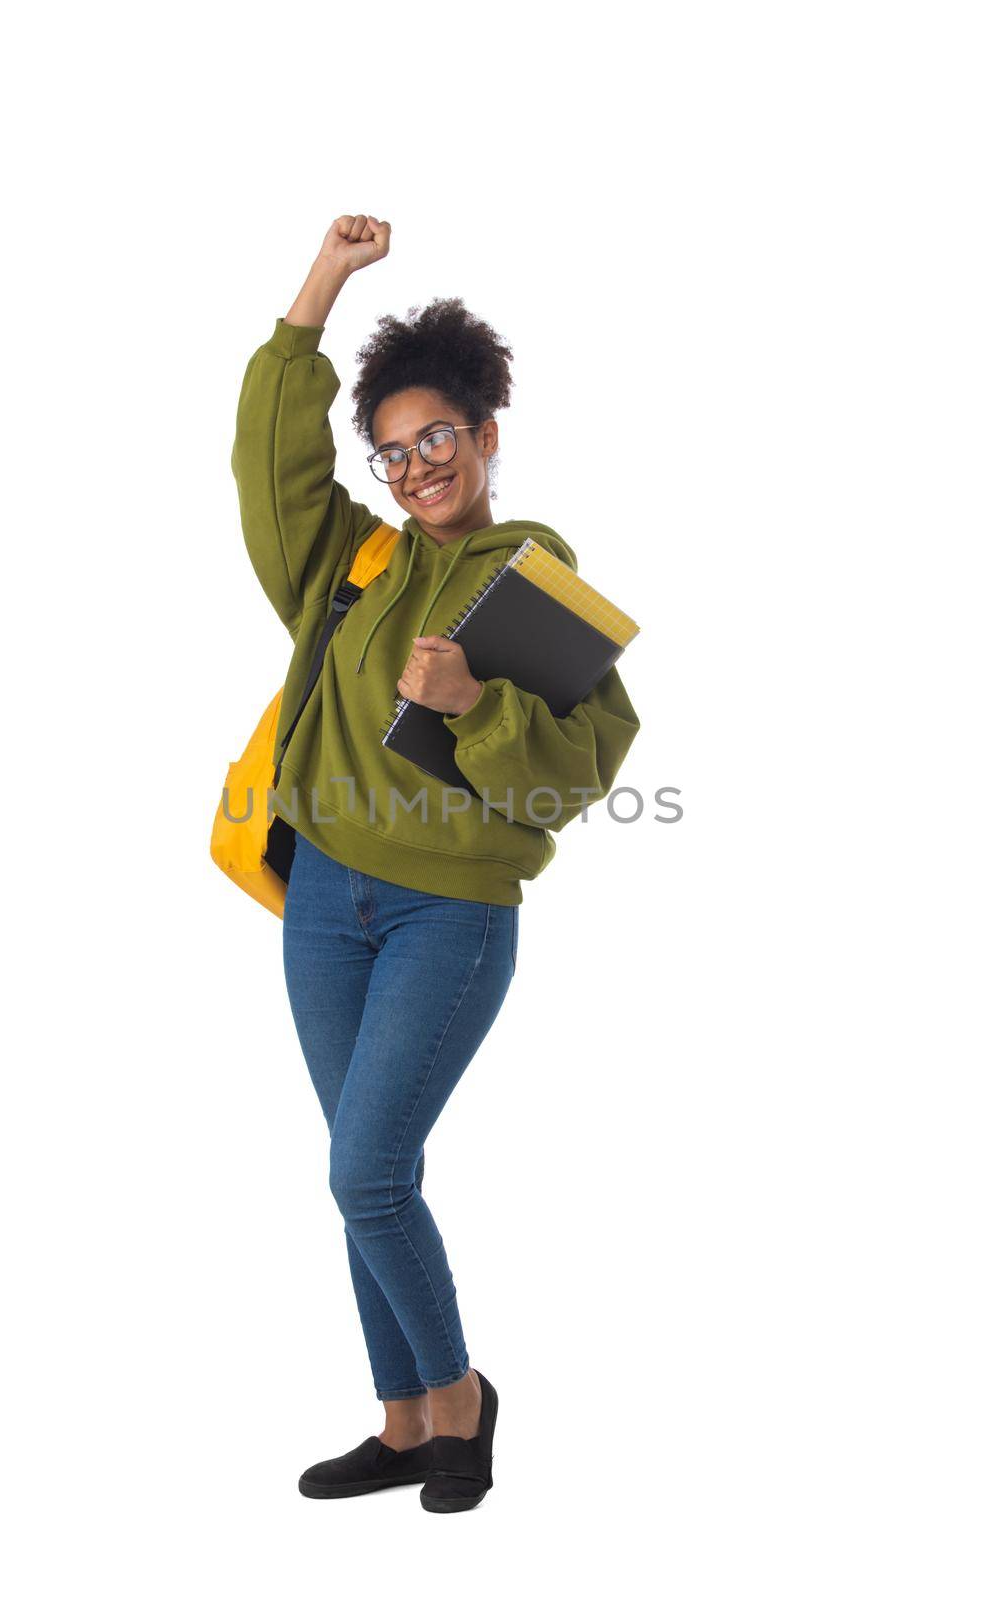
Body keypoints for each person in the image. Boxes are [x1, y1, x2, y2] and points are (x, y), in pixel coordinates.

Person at [230, 214, 640, 1512]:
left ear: (487, 436)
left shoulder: (535, 573)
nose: (417, 468)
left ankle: (459, 1400)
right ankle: (402, 1422)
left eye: (439, 441)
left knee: (364, 1172)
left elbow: (580, 771)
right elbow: (271, 475)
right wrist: (319, 290)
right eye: (395, 451)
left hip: (445, 916)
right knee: (366, 1176)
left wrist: (475, 702)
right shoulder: (350, 562)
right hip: (321, 901)